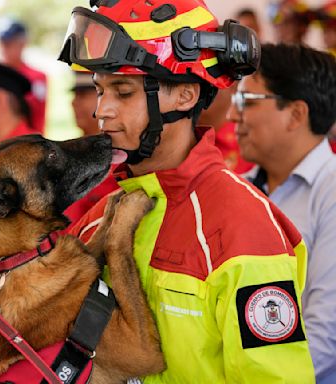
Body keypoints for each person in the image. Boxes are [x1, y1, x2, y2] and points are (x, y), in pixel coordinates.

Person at [59, 0, 315, 382]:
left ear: (185, 96)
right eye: (100, 91)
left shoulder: (242, 226)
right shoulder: (96, 222)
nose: (102, 111)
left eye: (124, 92)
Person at [227, 43, 336, 383]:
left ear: (296, 114)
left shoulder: (329, 190)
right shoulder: (236, 189)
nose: (232, 115)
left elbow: (326, 331)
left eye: (247, 100)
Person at [64, 71, 119, 223]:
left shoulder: (121, 160)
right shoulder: (68, 154)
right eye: (75, 95)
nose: (74, 103)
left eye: (83, 95)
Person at [0, 19, 47, 134]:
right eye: (2, 42)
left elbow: (38, 117)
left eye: (9, 43)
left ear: (23, 43)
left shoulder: (37, 78)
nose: (4, 48)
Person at [198, 84, 255, 174]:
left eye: (205, 83)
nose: (196, 92)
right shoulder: (176, 134)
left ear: (232, 86)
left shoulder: (251, 142)